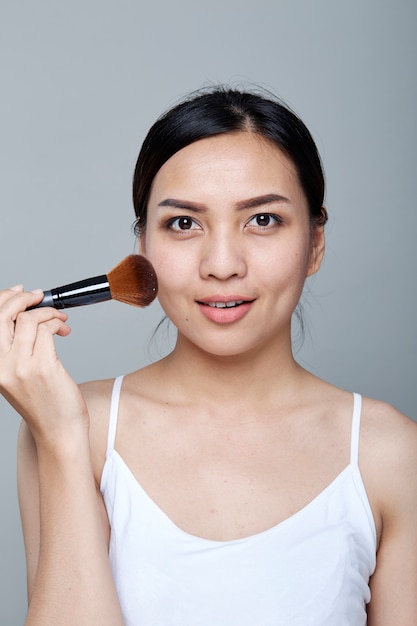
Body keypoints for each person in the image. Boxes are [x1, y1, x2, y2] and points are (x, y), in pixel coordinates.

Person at [0, 86, 416, 626]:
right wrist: (59, 438)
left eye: (262, 220)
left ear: (315, 242)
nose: (222, 264)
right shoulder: (70, 426)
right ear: (143, 249)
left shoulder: (392, 454)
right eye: (183, 223)